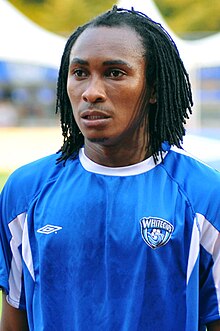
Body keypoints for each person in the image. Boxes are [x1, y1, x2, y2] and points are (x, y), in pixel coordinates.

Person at [0, 5, 220, 331]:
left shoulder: (204, 196)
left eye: (114, 73)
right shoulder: (25, 191)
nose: (91, 92)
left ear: (155, 88)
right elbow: (15, 316)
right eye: (80, 73)